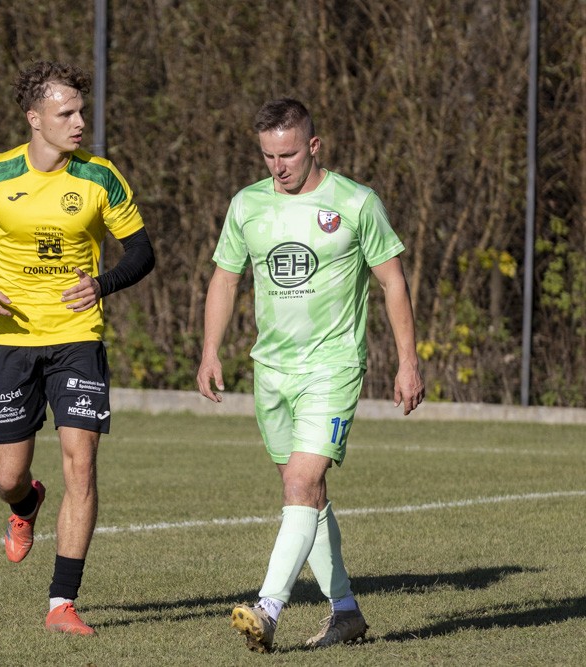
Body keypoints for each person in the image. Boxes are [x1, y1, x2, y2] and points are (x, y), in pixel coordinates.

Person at [196, 98, 425, 653]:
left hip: (332, 366)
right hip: (271, 370)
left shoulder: (356, 202)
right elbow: (225, 278)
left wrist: (408, 361)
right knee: (306, 495)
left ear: (314, 146)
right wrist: (210, 352)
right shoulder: (247, 205)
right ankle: (345, 611)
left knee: (301, 483)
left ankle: (268, 609)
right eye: (269, 156)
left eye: (290, 154)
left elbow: (392, 281)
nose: (279, 167)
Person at [0, 60, 154, 636]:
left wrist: (103, 284)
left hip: (76, 338)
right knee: (9, 476)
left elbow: (141, 252)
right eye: (66, 113)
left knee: (81, 464)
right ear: (35, 118)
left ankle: (62, 603)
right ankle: (24, 504)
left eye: (81, 111)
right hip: (8, 341)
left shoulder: (100, 178)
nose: (79, 122)